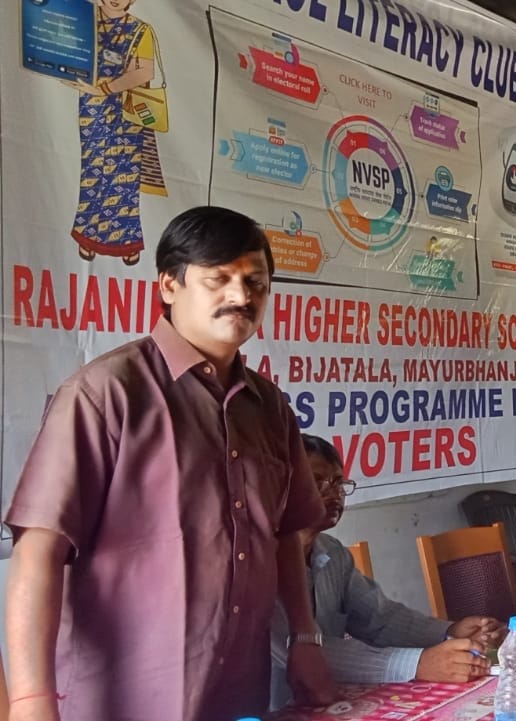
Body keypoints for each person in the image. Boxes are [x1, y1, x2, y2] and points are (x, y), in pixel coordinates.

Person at [4, 207, 336, 721]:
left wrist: (304, 637)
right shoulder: (106, 394)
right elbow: (38, 551)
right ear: (169, 285)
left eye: (255, 282)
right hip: (122, 698)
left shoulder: (270, 407)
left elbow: (286, 534)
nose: (241, 296)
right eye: (218, 279)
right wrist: (30, 701)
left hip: (236, 693)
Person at [270, 434, 504, 710]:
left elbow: (381, 618)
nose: (334, 493)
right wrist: (418, 664)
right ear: (282, 488)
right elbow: (303, 651)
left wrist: (448, 631)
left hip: (334, 701)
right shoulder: (257, 565)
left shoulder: (332, 553)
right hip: (276, 708)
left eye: (338, 483)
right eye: (317, 481)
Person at [66, 0, 167, 266]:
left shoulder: (140, 30)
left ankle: (127, 241)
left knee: (125, 176)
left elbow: (144, 71)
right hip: (93, 110)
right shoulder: (85, 21)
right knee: (93, 170)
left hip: (127, 112)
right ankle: (88, 235)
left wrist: (105, 88)